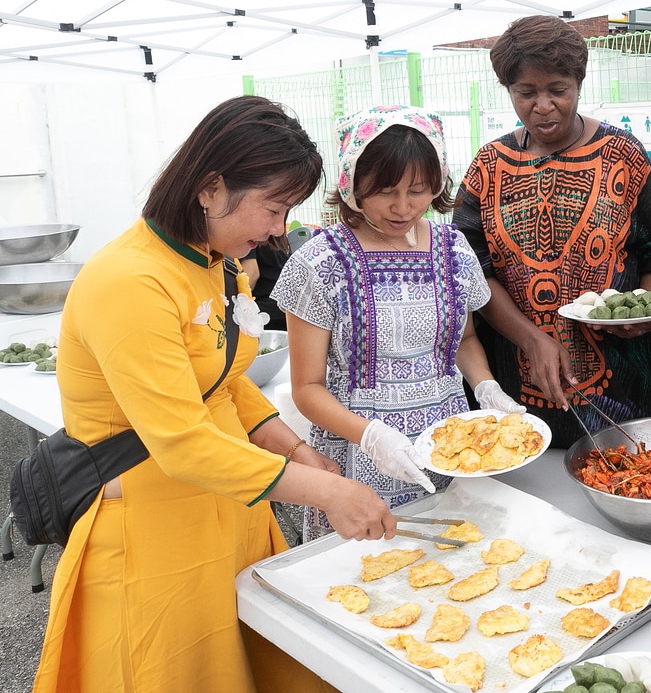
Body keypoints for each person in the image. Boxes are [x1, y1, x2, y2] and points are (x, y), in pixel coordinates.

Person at [34, 95, 395, 692]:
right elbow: (183, 442)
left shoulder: (216, 263)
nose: (281, 230)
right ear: (209, 188)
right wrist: (328, 490)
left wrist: (298, 452)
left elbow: (224, 385)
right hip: (155, 537)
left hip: (229, 509)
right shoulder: (130, 281)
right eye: (274, 209)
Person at [274, 105, 523, 540]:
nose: (403, 207)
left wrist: (486, 387)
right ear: (353, 182)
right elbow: (307, 387)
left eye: (419, 190)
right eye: (386, 190)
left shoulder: (452, 249)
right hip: (359, 460)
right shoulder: (319, 262)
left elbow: (462, 339)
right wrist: (373, 437)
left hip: (449, 449)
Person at [453, 15, 651, 448]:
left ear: (578, 84)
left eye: (558, 90)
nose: (543, 106)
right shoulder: (489, 165)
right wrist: (531, 338)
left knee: (636, 475)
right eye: (526, 93)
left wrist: (640, 313)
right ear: (509, 90)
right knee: (531, 484)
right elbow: (470, 271)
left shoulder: (623, 154)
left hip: (627, 377)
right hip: (521, 372)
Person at [241, 239, 291, 330]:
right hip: (286, 304)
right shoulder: (272, 237)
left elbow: (251, 275)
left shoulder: (248, 236)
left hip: (267, 309)